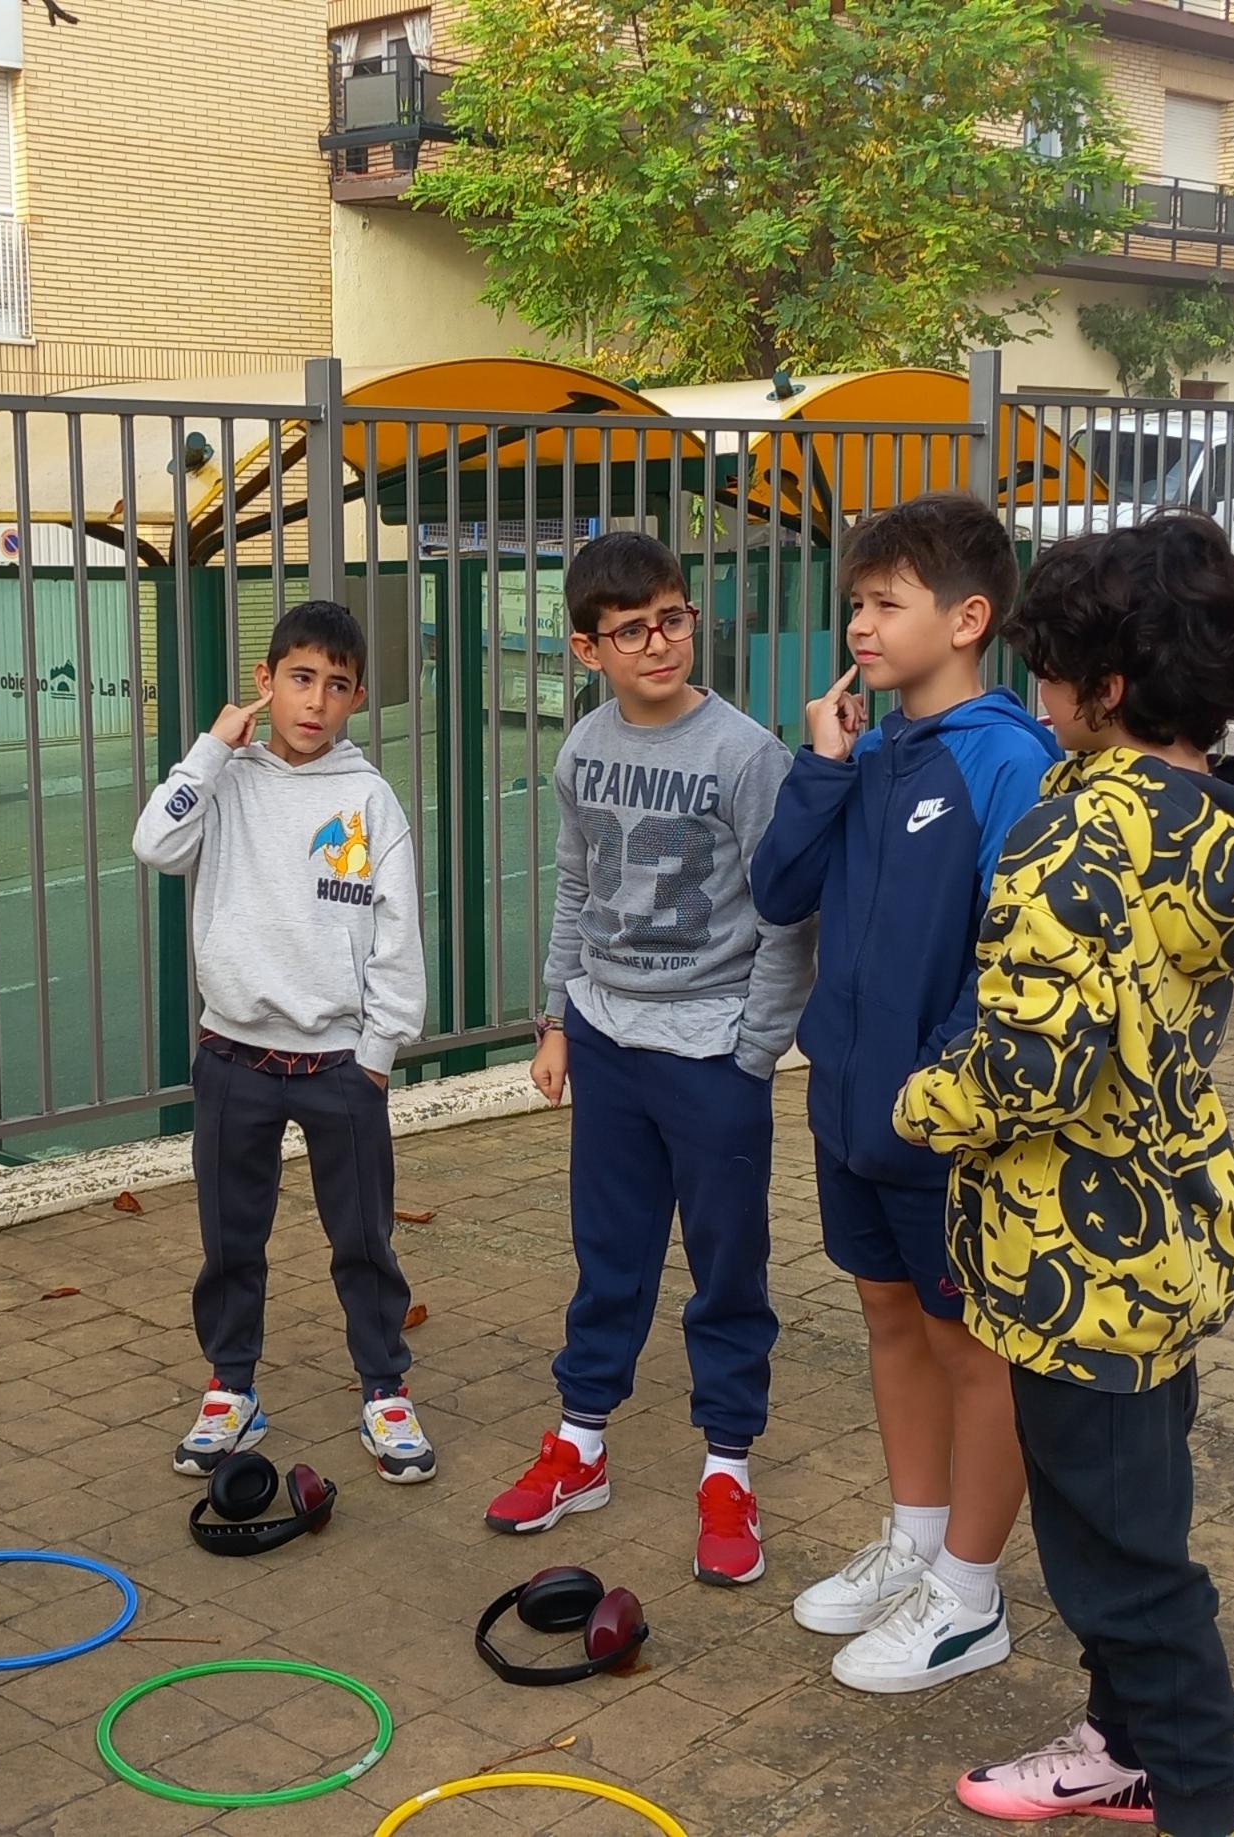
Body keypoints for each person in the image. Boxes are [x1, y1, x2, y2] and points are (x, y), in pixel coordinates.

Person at [895, 514, 1234, 1836]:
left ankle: (1195, 1797)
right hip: (1163, 1238)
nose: (1041, 697)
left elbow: (1036, 1064)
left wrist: (921, 1101)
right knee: (1128, 1523)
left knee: (1125, 1571)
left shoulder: (1076, 838)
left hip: (1074, 1263)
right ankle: (1122, 1747)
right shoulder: (1213, 823)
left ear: (1110, 688)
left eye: (1055, 672)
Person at [751, 496, 1056, 1693]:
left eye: (886, 603)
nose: (860, 627)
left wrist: (941, 1083)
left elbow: (1014, 956)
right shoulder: (868, 750)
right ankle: (917, 1545)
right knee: (889, 1316)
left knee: (972, 1345)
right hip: (846, 1105)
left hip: (946, 1125)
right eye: (856, 604)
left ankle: (970, 1594)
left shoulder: (1007, 758)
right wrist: (821, 766)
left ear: (968, 619)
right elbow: (780, 891)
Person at [487, 532, 816, 1586]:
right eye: (632, 630)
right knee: (610, 1251)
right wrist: (556, 1019)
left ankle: (728, 1467)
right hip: (607, 1042)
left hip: (712, 1053)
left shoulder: (746, 754)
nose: (661, 642)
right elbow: (577, 887)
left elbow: (786, 914)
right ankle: (580, 1442)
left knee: (727, 1265)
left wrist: (756, 1047)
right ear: (587, 649)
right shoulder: (582, 749)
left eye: (673, 617)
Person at [130, 601, 434, 1484]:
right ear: (266, 682)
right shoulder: (226, 781)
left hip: (340, 1065)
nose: (316, 701)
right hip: (234, 1059)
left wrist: (377, 1054)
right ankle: (232, 1388)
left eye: (337, 686)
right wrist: (211, 747)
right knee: (231, 1240)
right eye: (300, 679)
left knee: (364, 1238)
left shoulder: (368, 798)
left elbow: (397, 934)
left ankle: (384, 1389)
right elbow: (155, 842)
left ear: (357, 698)